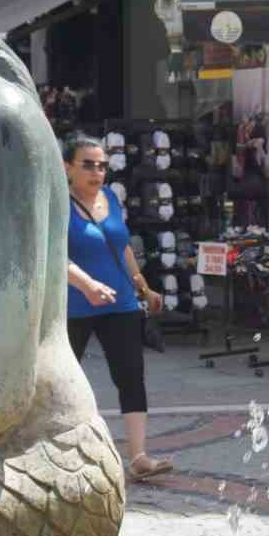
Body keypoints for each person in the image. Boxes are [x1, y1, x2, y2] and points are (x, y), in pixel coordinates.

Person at [64, 134, 173, 483]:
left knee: (130, 375)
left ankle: (139, 457)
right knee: (64, 381)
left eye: (103, 166)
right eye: (88, 165)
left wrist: (143, 285)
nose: (98, 173)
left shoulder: (110, 197)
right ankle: (60, 451)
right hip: (74, 304)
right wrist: (88, 285)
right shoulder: (56, 204)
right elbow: (53, 256)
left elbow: (122, 247)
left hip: (121, 302)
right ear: (67, 166)